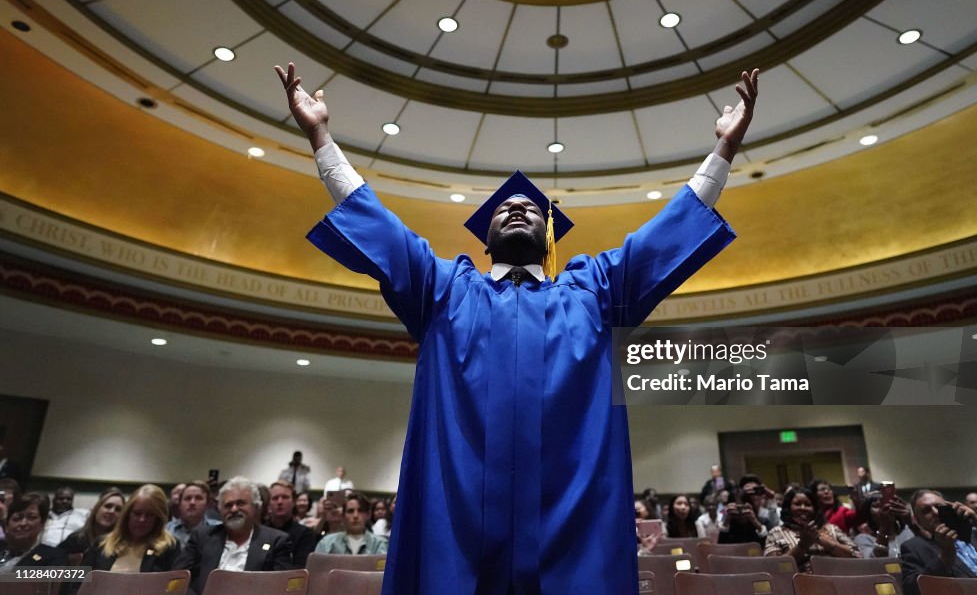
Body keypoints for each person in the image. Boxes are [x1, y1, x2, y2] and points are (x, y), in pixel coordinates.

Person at [276, 61, 758, 595]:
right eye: (505, 208)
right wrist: (320, 136)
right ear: (485, 237)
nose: (518, 210)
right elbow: (380, 227)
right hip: (459, 532)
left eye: (530, 208)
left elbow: (662, 238)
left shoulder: (593, 291)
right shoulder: (445, 290)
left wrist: (724, 152)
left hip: (568, 532)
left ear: (547, 235)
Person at [173, 476, 293, 595]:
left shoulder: (276, 541)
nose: (234, 509)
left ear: (256, 507)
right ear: (219, 510)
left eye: (240, 503)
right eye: (228, 505)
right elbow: (177, 577)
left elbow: (282, 588)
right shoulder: (202, 537)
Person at [899, 489, 977, 595]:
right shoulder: (914, 547)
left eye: (939, 507)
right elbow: (912, 589)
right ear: (917, 520)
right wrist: (944, 557)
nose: (935, 513)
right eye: (926, 511)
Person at [80, 484, 180, 580]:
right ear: (127, 514)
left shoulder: (169, 547)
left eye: (149, 515)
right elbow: (75, 583)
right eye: (137, 513)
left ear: (158, 518)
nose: (142, 519)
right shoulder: (101, 543)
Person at [764, 486, 860, 572]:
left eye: (808, 504)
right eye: (797, 504)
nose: (803, 508)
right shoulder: (776, 532)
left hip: (837, 581)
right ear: (788, 508)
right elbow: (774, 568)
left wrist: (822, 541)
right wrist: (802, 546)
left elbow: (858, 557)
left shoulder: (831, 529)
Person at [0, 493, 67, 573]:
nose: (23, 523)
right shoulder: (2, 550)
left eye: (31, 517)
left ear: (42, 523)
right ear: (7, 525)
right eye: (17, 518)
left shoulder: (53, 557)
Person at [58, 487, 125, 560]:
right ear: (96, 509)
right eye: (108, 506)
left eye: (118, 509)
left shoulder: (122, 543)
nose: (112, 511)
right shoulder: (75, 539)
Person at [315, 492, 388, 556]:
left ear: (368, 515)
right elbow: (316, 570)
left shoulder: (380, 544)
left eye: (360, 511)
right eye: (350, 511)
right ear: (343, 516)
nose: (355, 515)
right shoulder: (327, 543)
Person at [265, 481, 316, 567]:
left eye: (285, 497)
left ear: (294, 502)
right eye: (275, 498)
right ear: (269, 504)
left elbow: (300, 570)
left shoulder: (305, 534)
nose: (280, 502)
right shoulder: (260, 533)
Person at [853, 491, 914, 558]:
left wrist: (911, 522)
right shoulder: (863, 539)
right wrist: (884, 528)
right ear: (868, 513)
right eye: (876, 506)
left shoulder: (908, 532)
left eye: (887, 504)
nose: (883, 508)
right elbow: (873, 562)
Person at [166, 481, 222, 546]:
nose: (192, 502)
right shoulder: (167, 530)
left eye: (198, 498)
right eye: (187, 498)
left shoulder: (219, 530)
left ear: (208, 504)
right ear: (180, 504)